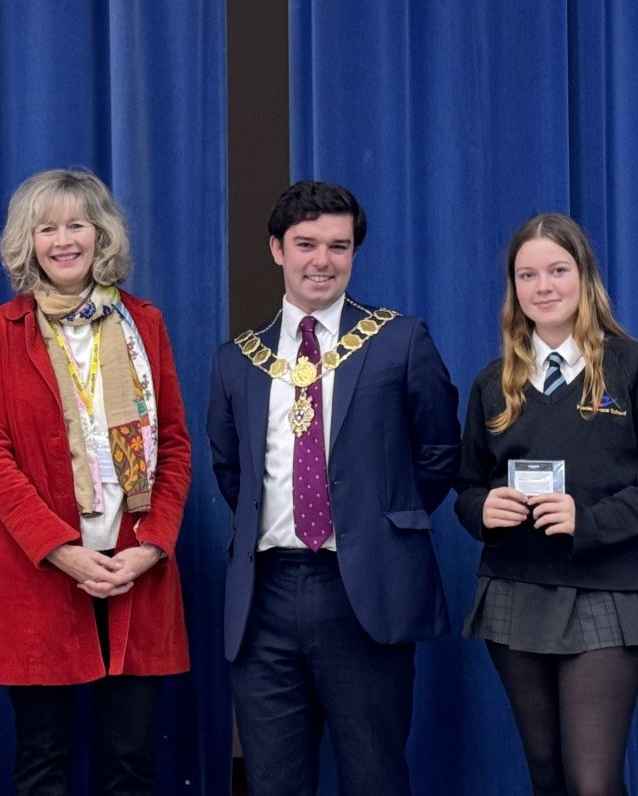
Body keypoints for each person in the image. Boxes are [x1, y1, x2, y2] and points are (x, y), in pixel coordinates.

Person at [207, 180, 461, 795]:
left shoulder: (400, 340)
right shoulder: (236, 359)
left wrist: (377, 522)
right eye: (307, 244)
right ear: (277, 250)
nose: (322, 260)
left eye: (339, 246)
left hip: (364, 590)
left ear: (353, 254)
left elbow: (438, 452)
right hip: (265, 596)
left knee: (374, 777)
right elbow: (230, 467)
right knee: (273, 783)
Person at [454, 212, 638, 795]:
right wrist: (481, 510)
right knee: (549, 776)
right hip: (515, 590)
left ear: (584, 277)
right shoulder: (494, 382)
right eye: (527, 275)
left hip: (606, 591)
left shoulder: (633, 367)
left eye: (558, 270)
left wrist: (589, 522)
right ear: (514, 288)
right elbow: (467, 487)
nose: (544, 287)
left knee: (592, 782)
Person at [0, 168, 191, 794]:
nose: (63, 240)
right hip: (38, 574)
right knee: (42, 764)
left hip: (135, 573)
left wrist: (151, 546)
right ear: (28, 240)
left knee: (132, 764)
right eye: (48, 227)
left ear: (101, 234)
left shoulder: (144, 323)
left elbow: (173, 443)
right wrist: (60, 550)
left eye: (76, 224)